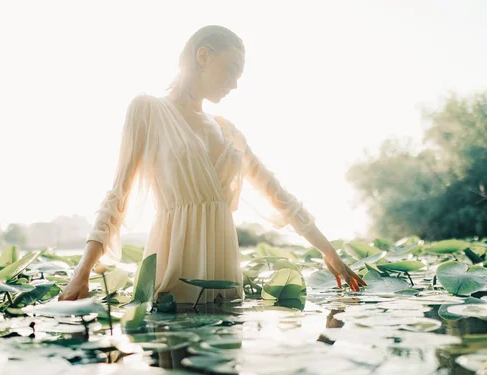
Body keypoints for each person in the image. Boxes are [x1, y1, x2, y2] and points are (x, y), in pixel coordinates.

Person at [59, 25, 366, 303]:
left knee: (224, 352)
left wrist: (329, 251)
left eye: (239, 76)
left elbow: (278, 195)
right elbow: (117, 196)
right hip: (173, 268)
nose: (234, 84)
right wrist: (81, 272)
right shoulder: (148, 110)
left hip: (224, 276)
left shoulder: (228, 131)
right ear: (203, 56)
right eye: (231, 70)